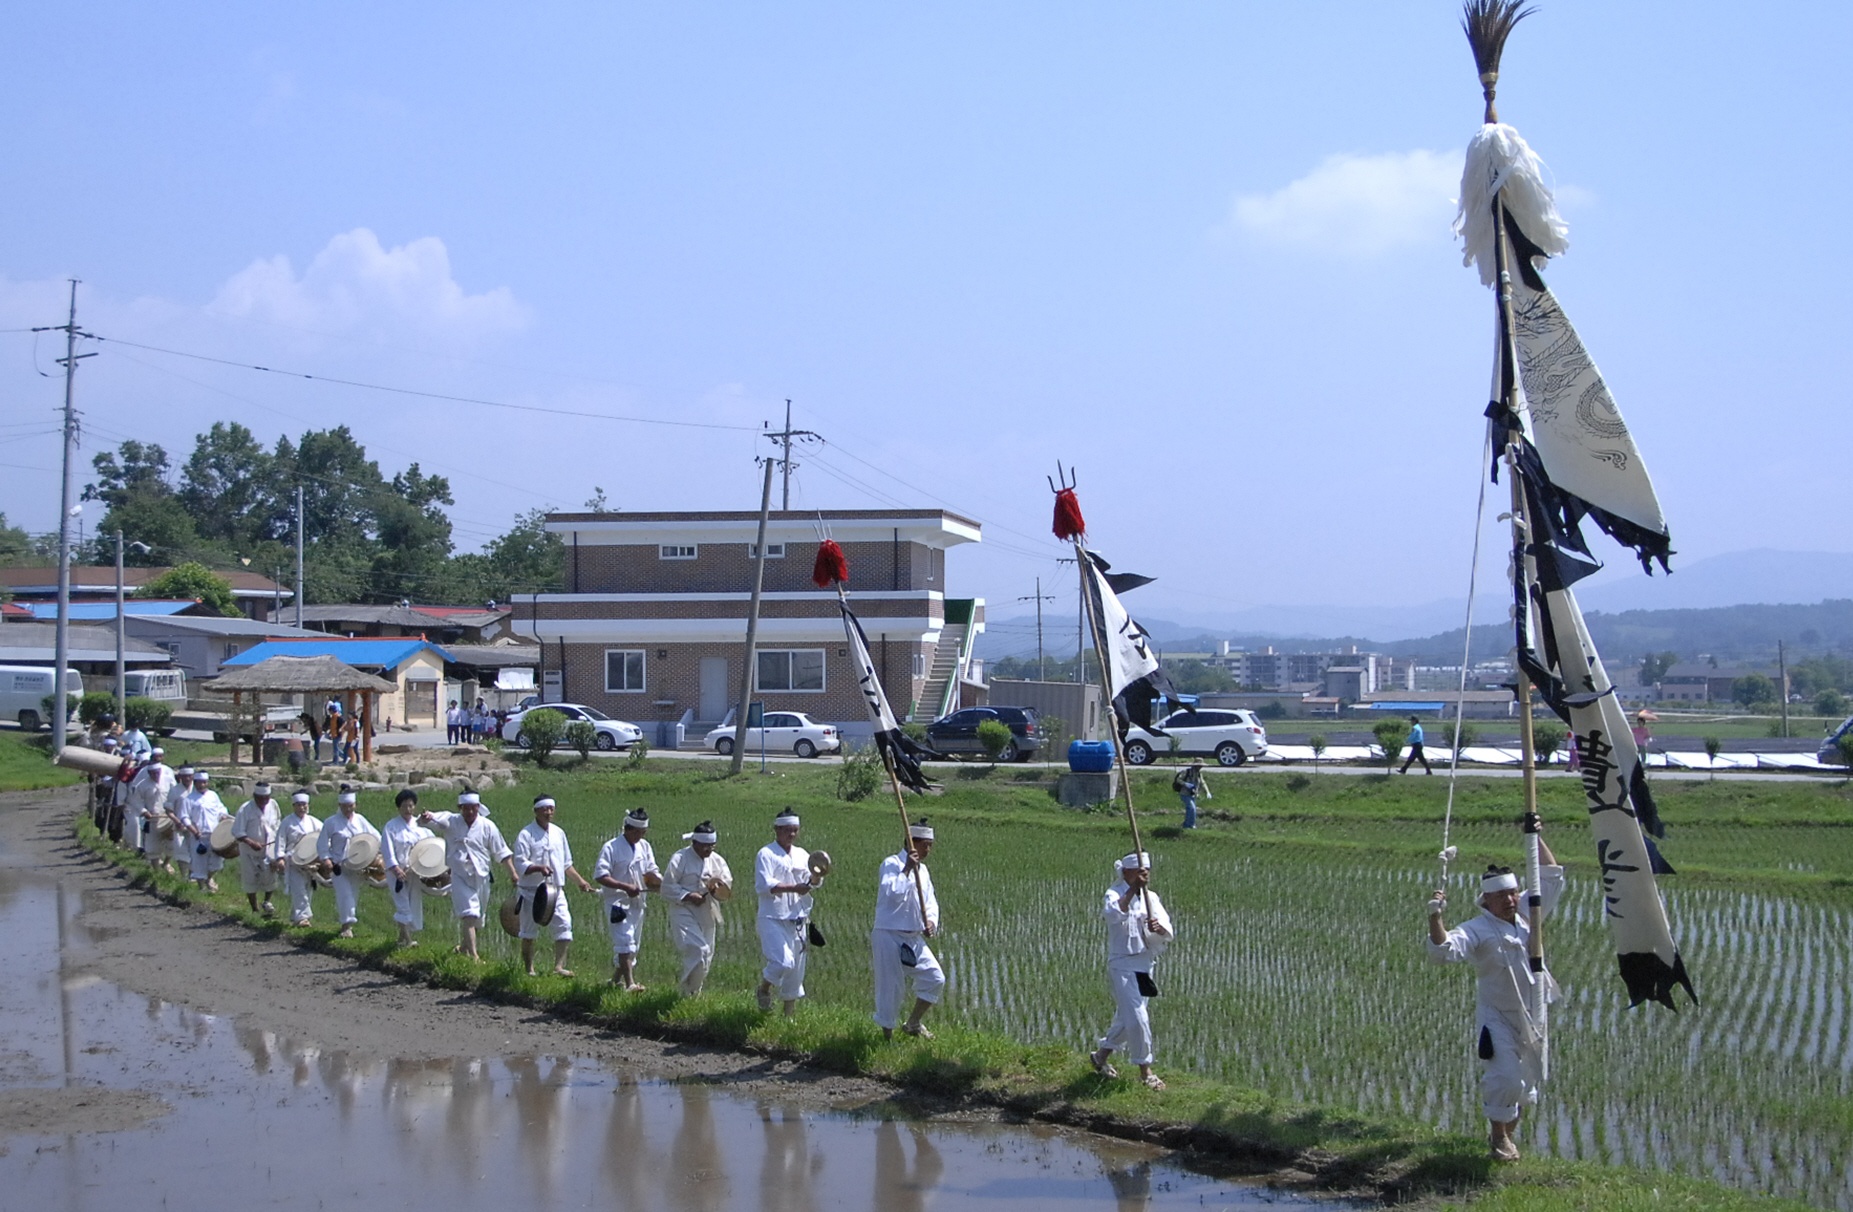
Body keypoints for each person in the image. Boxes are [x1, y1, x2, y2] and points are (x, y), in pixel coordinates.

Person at [1426, 819, 1563, 1162]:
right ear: (1486, 899)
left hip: (1534, 1014)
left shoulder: (1529, 914)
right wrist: (1435, 918)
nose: (1510, 899)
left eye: (1513, 893)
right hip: (1497, 1016)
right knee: (1504, 1076)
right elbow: (1445, 951)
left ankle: (1504, 1139)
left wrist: (1535, 835)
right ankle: (1499, 1137)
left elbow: (1549, 873)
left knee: (1528, 1081)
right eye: (1502, 895)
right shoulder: (1476, 929)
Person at [1089, 851, 1174, 1091]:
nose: (1143, 876)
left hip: (1145, 964)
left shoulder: (1152, 897)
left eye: (1145, 872)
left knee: (1128, 1020)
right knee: (1138, 1016)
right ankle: (1145, 1070)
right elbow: (1114, 914)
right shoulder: (1114, 894)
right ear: (1126, 873)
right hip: (1122, 964)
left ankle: (1100, 1057)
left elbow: (1166, 927)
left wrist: (1158, 928)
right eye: (1138, 872)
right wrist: (1132, 890)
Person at [420, 792, 519, 962]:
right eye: (466, 809)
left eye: (473, 808)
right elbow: (433, 820)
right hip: (459, 876)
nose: (470, 812)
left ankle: (464, 947)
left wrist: (513, 874)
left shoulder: (488, 826)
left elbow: (501, 851)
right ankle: (474, 956)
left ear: (478, 808)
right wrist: (427, 817)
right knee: (469, 913)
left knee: (478, 917)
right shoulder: (452, 821)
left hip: (481, 876)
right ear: (460, 808)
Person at [871, 818, 944, 1040]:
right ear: (912, 843)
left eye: (931, 845)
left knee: (935, 978)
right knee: (890, 988)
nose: (928, 850)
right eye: (925, 845)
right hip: (889, 934)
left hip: (912, 937)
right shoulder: (891, 864)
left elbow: (930, 900)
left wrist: (930, 921)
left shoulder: (924, 870)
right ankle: (887, 1037)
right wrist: (906, 869)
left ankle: (913, 1023)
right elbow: (891, 893)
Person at [514, 795, 595, 977]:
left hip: (555, 890)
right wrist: (537, 868)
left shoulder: (559, 833)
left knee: (564, 925)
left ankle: (558, 967)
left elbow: (566, 864)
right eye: (545, 809)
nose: (549, 812)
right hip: (531, 892)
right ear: (536, 811)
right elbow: (520, 862)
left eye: (551, 808)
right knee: (528, 932)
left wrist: (580, 881)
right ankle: (529, 969)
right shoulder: (526, 834)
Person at [755, 810, 824, 1016]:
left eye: (795, 830)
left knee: (796, 971)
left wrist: (816, 877)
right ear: (777, 829)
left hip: (798, 918)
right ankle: (764, 988)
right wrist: (794, 888)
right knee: (782, 961)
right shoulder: (766, 854)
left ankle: (788, 1016)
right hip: (773, 917)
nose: (791, 835)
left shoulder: (803, 855)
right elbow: (764, 885)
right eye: (787, 830)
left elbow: (812, 882)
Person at [662, 819, 732, 996]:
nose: (708, 850)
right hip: (683, 909)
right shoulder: (680, 858)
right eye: (704, 846)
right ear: (695, 843)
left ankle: (694, 993)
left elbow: (726, 882)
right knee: (697, 949)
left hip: (707, 910)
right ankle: (687, 991)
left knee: (707, 954)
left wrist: (716, 888)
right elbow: (667, 886)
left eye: (712, 846)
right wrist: (687, 895)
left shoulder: (717, 860)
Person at [594, 809, 662, 989]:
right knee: (625, 941)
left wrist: (660, 882)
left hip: (638, 902)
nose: (640, 836)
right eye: (637, 832)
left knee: (634, 945)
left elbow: (651, 870)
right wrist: (625, 886)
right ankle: (630, 984)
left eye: (643, 833)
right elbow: (601, 876)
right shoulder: (611, 847)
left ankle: (615, 981)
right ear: (628, 829)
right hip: (617, 903)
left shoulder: (645, 847)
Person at [317, 787, 379, 938]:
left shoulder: (360, 820)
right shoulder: (331, 822)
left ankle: (349, 923)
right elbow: (322, 843)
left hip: (358, 865)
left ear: (355, 805)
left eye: (351, 806)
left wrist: (376, 852)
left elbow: (375, 835)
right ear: (340, 806)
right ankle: (346, 926)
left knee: (353, 893)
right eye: (345, 806)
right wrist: (326, 859)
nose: (348, 809)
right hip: (339, 865)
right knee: (344, 894)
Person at [380, 788, 435, 946]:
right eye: (404, 806)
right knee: (402, 903)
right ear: (399, 807)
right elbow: (387, 849)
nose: (408, 809)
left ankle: (402, 937)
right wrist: (395, 869)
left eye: (411, 806)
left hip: (415, 871)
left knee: (414, 903)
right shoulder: (391, 826)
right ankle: (408, 940)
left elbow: (430, 845)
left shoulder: (420, 826)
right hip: (397, 872)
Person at [231, 781, 281, 916]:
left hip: (268, 849)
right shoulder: (245, 809)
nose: (264, 801)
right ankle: (254, 908)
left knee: (270, 877)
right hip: (249, 851)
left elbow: (277, 823)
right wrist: (250, 842)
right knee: (250, 879)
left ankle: (266, 902)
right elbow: (237, 831)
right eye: (260, 798)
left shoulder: (273, 805)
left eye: (266, 798)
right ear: (254, 796)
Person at [274, 791, 323, 926]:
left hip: (310, 860)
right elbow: (281, 840)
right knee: (298, 888)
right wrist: (280, 857)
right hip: (293, 860)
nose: (302, 808)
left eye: (304, 805)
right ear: (294, 806)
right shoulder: (287, 822)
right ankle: (302, 918)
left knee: (308, 888)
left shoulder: (313, 822)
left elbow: (324, 836)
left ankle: (297, 915)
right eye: (299, 805)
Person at [182, 769, 229, 892]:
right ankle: (201, 887)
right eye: (199, 782)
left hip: (214, 835)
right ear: (195, 782)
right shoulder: (189, 799)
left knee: (216, 862)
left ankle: (209, 878)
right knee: (199, 863)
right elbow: (184, 817)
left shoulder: (213, 796)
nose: (202, 785)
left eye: (204, 782)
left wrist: (223, 815)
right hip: (198, 836)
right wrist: (194, 831)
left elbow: (221, 809)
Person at [124, 747, 174, 859]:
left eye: (158, 773)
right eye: (153, 773)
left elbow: (174, 793)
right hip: (151, 817)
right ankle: (154, 862)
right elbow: (135, 796)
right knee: (152, 846)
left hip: (167, 816)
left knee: (170, 843)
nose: (156, 775)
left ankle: (166, 864)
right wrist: (143, 811)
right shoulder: (142, 779)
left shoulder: (168, 775)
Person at [162, 765, 195, 875]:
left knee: (194, 851)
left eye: (189, 776)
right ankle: (183, 875)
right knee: (181, 851)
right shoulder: (175, 791)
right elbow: (168, 810)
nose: (187, 779)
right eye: (184, 776)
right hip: (180, 826)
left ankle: (193, 874)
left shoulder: (196, 789)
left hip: (195, 826)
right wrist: (177, 821)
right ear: (180, 777)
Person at [1171, 763, 1209, 829]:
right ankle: (1191, 825)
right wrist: (1185, 784)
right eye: (1198, 766)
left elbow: (1203, 783)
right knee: (1192, 808)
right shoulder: (1186, 772)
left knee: (1190, 810)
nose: (1200, 767)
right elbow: (1178, 780)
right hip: (1184, 793)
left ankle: (1187, 825)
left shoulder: (1199, 774)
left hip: (1193, 794)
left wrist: (1207, 792)